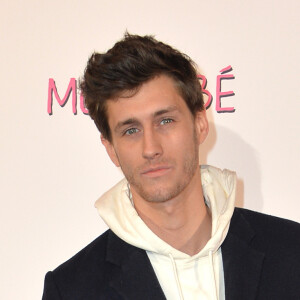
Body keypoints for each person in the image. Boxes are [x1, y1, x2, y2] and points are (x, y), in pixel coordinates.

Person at [42, 33, 300, 300]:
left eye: (165, 121)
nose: (151, 148)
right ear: (110, 149)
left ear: (200, 124)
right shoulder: (72, 289)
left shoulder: (292, 252)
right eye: (131, 130)